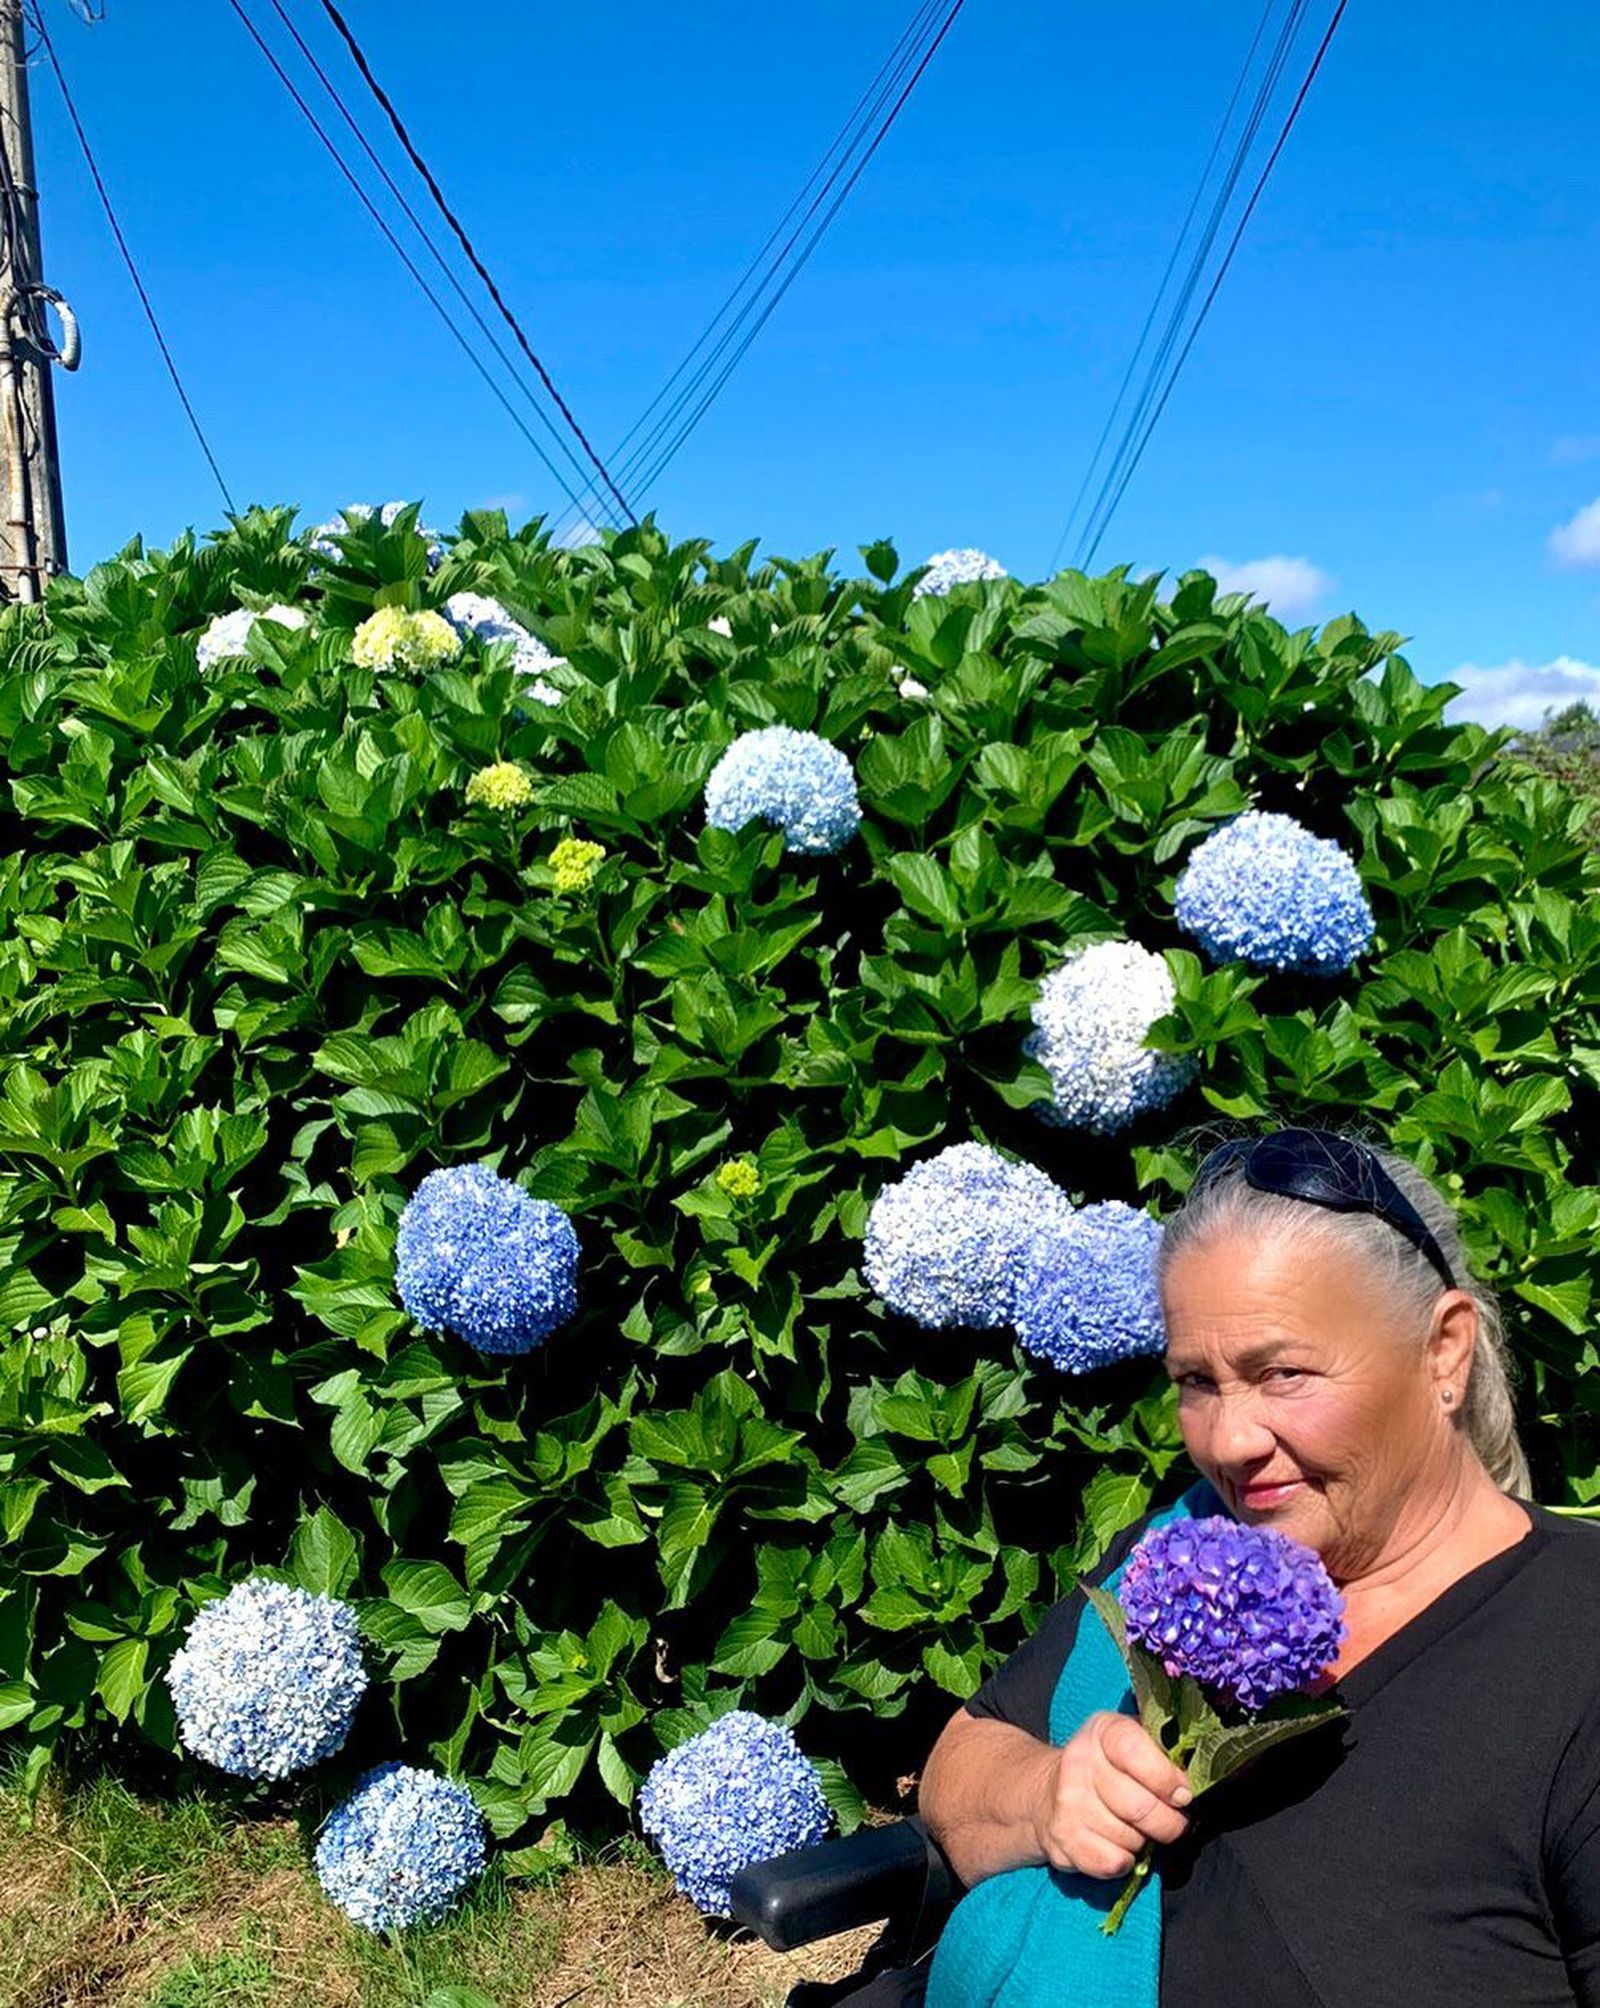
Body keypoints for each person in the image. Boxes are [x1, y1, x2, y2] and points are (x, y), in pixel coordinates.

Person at [884, 1128, 1600, 2006]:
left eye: (1285, 1373)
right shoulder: (1186, 1555)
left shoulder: (1577, 1647)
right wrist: (1048, 1795)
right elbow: (963, 1759)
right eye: (1197, 1381)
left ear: (1443, 1350)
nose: (1228, 1443)